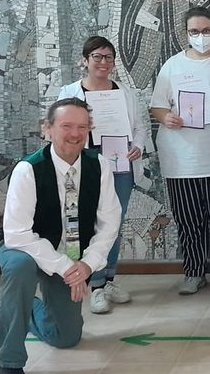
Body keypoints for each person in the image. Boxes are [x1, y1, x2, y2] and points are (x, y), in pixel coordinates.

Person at [0, 98, 121, 374]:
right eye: (66, 126)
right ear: (47, 129)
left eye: (82, 127)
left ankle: (14, 311)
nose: (74, 134)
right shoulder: (28, 169)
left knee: (66, 337)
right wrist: (66, 268)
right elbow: (17, 233)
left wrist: (86, 266)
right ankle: (10, 363)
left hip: (72, 255)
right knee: (20, 268)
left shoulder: (99, 166)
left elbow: (109, 223)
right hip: (25, 249)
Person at [57, 36, 146, 314]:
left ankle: (108, 280)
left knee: (114, 223)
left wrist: (138, 146)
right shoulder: (70, 93)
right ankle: (94, 284)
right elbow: (59, 129)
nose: (103, 62)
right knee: (89, 222)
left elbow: (140, 127)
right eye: (97, 57)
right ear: (85, 61)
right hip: (85, 165)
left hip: (120, 166)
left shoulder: (125, 93)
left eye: (108, 57)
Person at [150, 7, 210, 295]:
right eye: (194, 31)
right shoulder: (173, 66)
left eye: (207, 30)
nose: (201, 36)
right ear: (185, 33)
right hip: (181, 157)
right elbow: (157, 105)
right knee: (188, 219)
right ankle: (194, 271)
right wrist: (166, 117)